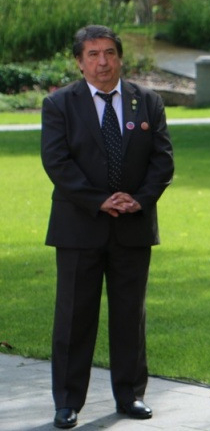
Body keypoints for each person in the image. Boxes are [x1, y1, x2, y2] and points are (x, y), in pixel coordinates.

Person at [41, 25, 175, 429]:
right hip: (79, 227)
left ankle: (130, 395)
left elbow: (162, 160)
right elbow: (56, 161)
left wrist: (140, 199)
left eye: (110, 53)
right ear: (79, 62)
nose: (103, 62)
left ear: (119, 57)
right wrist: (99, 200)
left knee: (130, 315)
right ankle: (67, 402)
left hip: (133, 226)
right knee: (74, 317)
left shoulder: (147, 101)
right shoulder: (59, 104)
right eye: (93, 54)